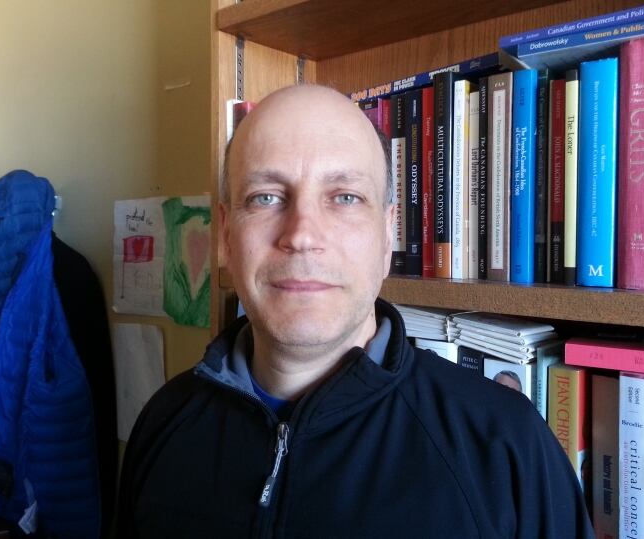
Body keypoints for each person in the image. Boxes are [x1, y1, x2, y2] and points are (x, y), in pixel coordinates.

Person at [117, 84, 593, 538]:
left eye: (345, 197)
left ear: (388, 235)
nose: (302, 234)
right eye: (266, 197)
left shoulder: (505, 444)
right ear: (225, 233)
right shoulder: (165, 421)